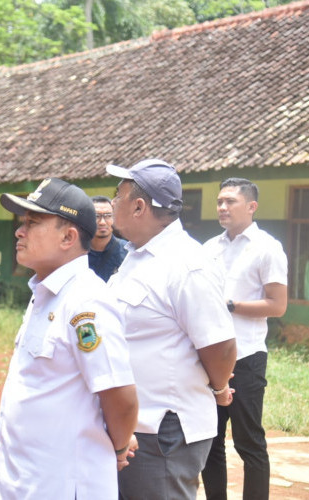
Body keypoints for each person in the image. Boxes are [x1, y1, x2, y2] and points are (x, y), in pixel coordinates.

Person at [0, 178, 138, 499]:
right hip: (23, 478)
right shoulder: (44, 293)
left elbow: (119, 395)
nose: (19, 231)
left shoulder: (86, 302)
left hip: (61, 483)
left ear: (69, 237)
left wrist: (120, 446)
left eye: (32, 223)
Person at [105, 159, 237, 500]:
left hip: (163, 432)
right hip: (133, 426)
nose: (111, 203)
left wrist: (220, 387)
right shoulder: (136, 257)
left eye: (117, 196)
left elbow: (220, 347)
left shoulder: (187, 264)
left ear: (139, 206)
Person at [201, 178, 288, 500]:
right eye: (220, 201)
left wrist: (230, 306)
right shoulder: (209, 248)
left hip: (246, 356)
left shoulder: (267, 248)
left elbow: (277, 305)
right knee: (210, 441)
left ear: (251, 207)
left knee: (249, 442)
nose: (222, 207)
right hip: (210, 358)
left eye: (230, 202)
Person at [88, 195, 128, 281]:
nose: (102, 222)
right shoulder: (76, 252)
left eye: (108, 215)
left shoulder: (127, 251)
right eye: (96, 216)